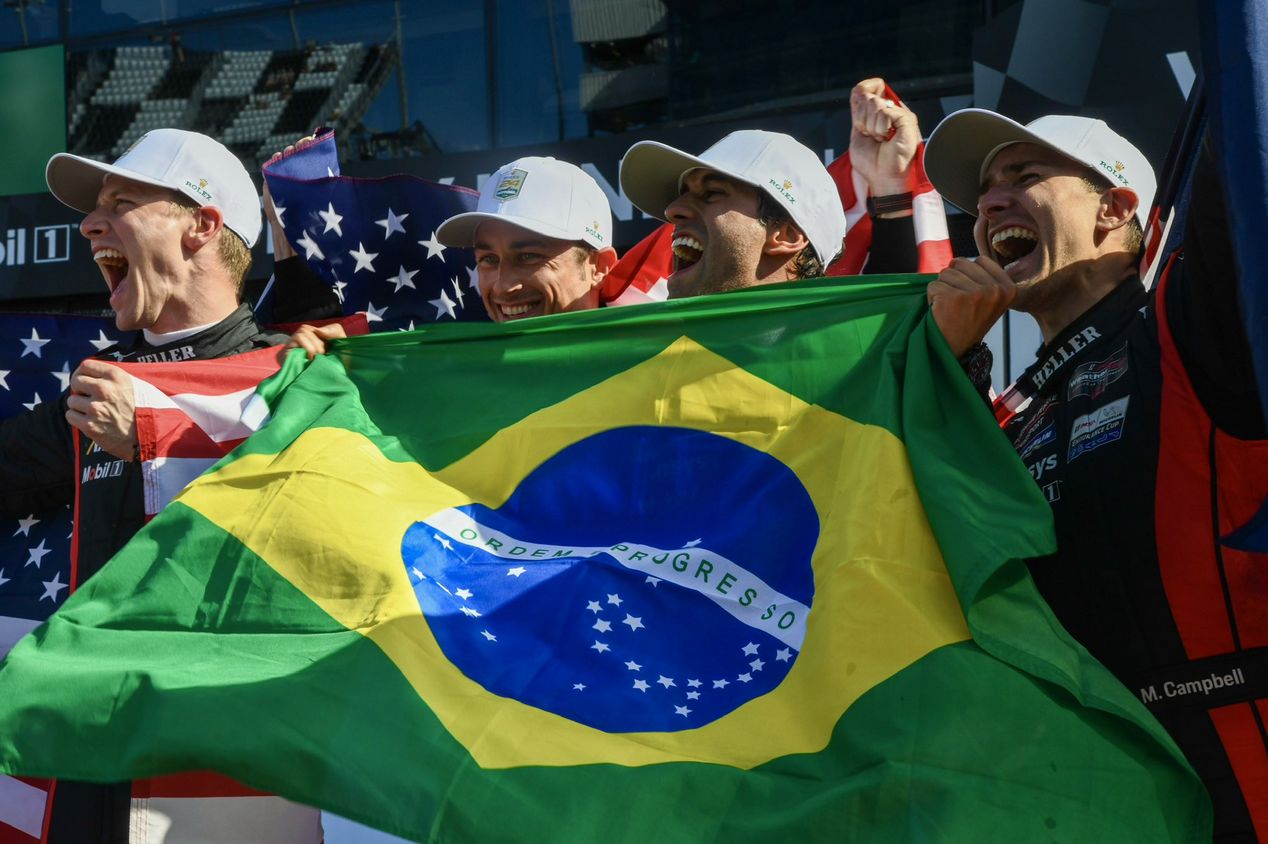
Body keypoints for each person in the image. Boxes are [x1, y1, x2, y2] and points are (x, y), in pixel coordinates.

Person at [859, 83, 1266, 840]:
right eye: (986, 191)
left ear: (1115, 210)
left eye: (1025, 177)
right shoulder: (1015, 412)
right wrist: (950, 363)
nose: (992, 203)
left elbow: (1242, 156)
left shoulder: (1185, 325)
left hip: (1243, 769)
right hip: (1101, 797)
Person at [0, 128, 326, 842]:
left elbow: (319, 554)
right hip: (97, 753)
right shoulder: (97, 391)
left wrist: (161, 441)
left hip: (231, 776)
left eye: (120, 203)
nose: (89, 223)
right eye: (95, 209)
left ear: (202, 226)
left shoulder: (302, 379)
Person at [287, 155, 618, 355]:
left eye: (528, 256)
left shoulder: (658, 366)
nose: (502, 287)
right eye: (488, 259)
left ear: (598, 266)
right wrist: (337, 360)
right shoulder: (448, 374)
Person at [617, 129, 847, 298]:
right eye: (682, 195)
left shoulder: (848, 361)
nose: (672, 210)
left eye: (713, 193)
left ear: (785, 235)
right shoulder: (639, 361)